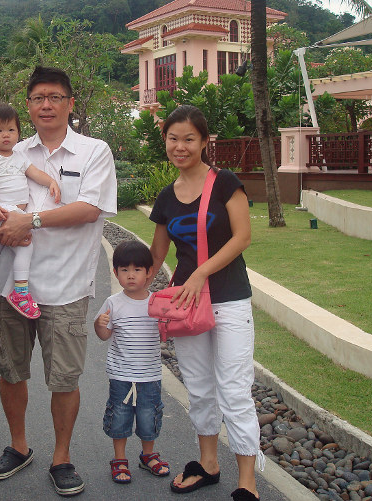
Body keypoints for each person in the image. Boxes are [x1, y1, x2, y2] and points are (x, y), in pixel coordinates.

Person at [0, 66, 117, 497]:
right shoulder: (10, 151)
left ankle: (62, 456)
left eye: (55, 97)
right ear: (27, 104)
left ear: (70, 103)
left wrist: (30, 221)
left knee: (64, 378)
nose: (46, 104)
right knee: (10, 371)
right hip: (8, 286)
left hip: (65, 288)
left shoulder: (93, 151)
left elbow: (89, 209)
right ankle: (19, 446)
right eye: (39, 97)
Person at [149, 105, 263, 501]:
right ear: (164, 141)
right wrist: (127, 291)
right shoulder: (166, 197)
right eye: (173, 138)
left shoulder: (226, 183)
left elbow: (242, 237)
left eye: (189, 139)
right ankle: (209, 463)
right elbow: (156, 257)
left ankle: (247, 481)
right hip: (185, 305)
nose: (180, 147)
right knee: (198, 387)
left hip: (228, 299)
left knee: (234, 389)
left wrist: (199, 274)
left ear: (204, 142)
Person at [0, 103, 61, 319]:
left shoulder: (19, 157)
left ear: (18, 133)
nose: (6, 136)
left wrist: (50, 182)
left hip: (10, 213)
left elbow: (35, 173)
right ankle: (20, 292)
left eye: (11, 130)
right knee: (25, 246)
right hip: (3, 211)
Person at [93, 240, 170, 485]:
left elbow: (165, 334)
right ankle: (119, 458)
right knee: (120, 416)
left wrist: (167, 323)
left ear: (148, 272)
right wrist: (99, 325)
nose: (131, 275)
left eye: (137, 269)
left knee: (149, 416)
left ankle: (148, 455)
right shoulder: (113, 303)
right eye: (124, 270)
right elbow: (104, 335)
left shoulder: (156, 302)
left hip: (150, 375)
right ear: (115, 273)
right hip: (121, 375)